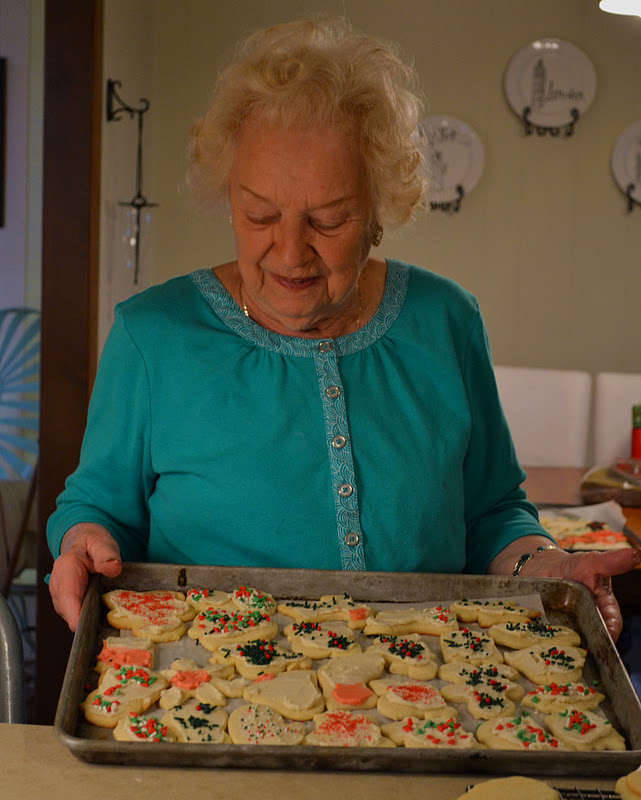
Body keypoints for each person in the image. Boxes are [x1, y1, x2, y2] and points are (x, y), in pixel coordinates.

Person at [47, 18, 639, 638]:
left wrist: (540, 562)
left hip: (427, 700)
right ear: (228, 198)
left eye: (329, 220)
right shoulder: (153, 336)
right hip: (207, 690)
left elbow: (491, 511)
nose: (289, 252)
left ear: (378, 209)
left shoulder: (446, 320)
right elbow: (94, 508)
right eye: (260, 214)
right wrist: (84, 538)